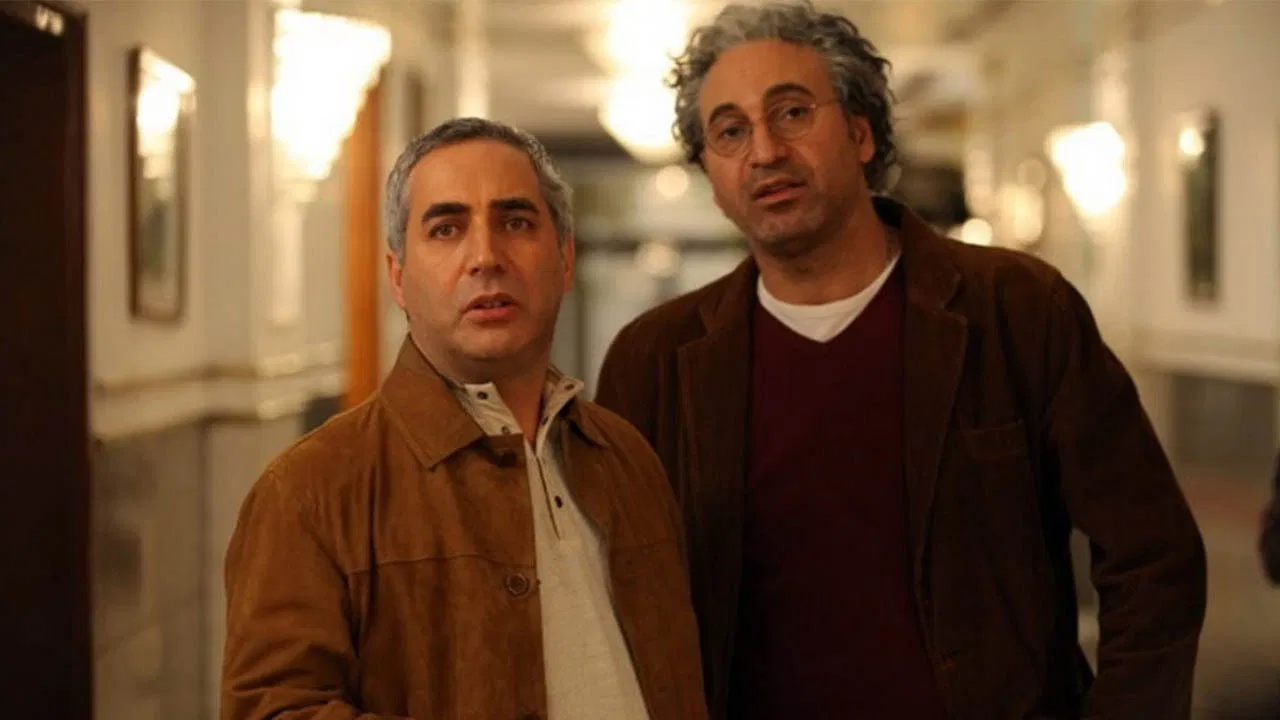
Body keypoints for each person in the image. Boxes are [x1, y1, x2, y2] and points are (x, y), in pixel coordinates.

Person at [594, 3, 1207, 719]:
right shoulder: (654, 361)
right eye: (729, 131)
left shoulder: (1015, 310)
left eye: (792, 113)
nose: (764, 151)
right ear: (709, 169)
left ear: (860, 133)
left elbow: (1153, 558)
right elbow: (610, 595)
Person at [221, 118, 708, 720]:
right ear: (399, 277)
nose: (485, 257)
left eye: (516, 223)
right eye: (447, 229)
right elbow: (275, 710)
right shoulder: (308, 491)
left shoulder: (626, 458)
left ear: (564, 259)